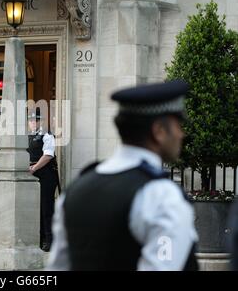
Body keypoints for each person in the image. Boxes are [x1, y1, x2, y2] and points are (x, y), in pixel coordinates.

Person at [47, 80, 199, 270]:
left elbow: (57, 267)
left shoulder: (76, 188)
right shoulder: (162, 196)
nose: (181, 134)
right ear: (159, 130)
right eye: (178, 125)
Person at [27, 109, 60, 252]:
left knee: (46, 208)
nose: (34, 123)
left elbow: (48, 155)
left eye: (36, 120)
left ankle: (50, 240)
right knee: (34, 209)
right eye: (31, 121)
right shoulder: (26, 136)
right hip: (32, 174)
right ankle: (38, 239)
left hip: (45, 175)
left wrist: (34, 168)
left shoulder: (47, 135)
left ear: (41, 122)